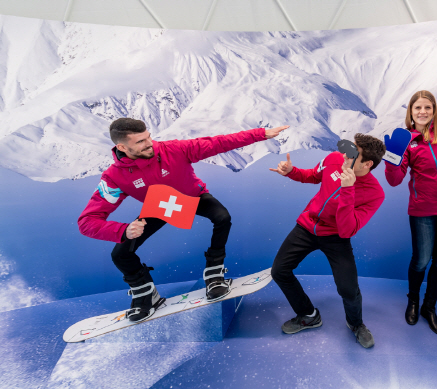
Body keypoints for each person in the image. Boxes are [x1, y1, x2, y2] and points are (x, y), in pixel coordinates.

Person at [78, 118, 288, 323]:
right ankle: (145, 294)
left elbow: (218, 143)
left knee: (222, 217)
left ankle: (214, 276)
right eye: (140, 142)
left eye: (148, 137)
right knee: (120, 253)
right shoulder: (114, 177)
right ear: (122, 147)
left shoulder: (174, 150)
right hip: (159, 207)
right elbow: (87, 221)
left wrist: (259, 134)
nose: (149, 143)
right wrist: (124, 230)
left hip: (193, 198)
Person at [269, 134, 386, 348]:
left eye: (352, 155)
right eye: (346, 149)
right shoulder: (334, 159)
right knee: (279, 271)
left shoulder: (374, 193)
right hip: (307, 227)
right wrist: (291, 172)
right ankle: (308, 315)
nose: (344, 156)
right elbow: (314, 175)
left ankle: (356, 324)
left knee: (348, 289)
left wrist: (348, 189)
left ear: (368, 164)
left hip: (336, 237)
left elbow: (346, 229)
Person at [384, 90, 437, 335]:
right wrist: (392, 159)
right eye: (417, 108)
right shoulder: (407, 141)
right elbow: (394, 181)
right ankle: (413, 301)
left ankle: (429, 307)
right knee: (421, 260)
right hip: (423, 211)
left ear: (434, 110)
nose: (422, 112)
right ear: (410, 112)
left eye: (427, 108)